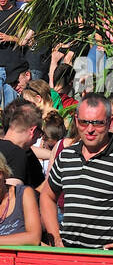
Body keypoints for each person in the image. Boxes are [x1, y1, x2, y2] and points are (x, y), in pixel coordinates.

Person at [41, 94, 113, 248]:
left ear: (109, 123)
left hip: (106, 260)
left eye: (98, 123)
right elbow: (47, 195)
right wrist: (55, 238)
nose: (90, 129)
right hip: (69, 256)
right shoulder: (66, 156)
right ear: (75, 120)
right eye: (83, 122)